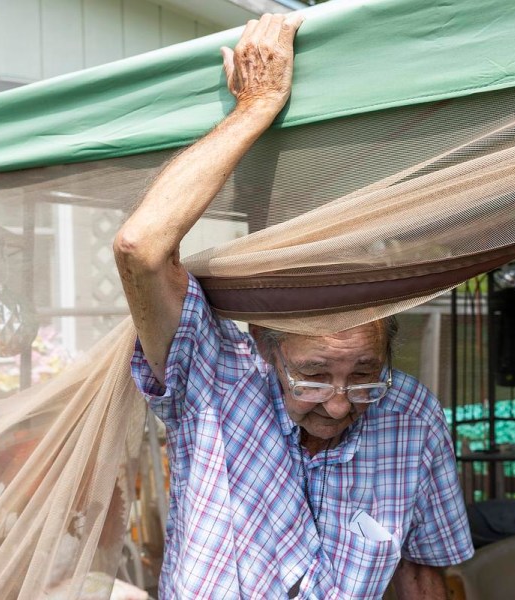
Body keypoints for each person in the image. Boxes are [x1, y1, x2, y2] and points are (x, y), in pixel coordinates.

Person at [114, 13, 473, 599]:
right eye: (311, 374)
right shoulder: (216, 378)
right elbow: (140, 246)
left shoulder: (412, 417)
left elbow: (419, 571)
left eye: (364, 375)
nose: (337, 404)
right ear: (265, 346)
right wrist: (256, 107)